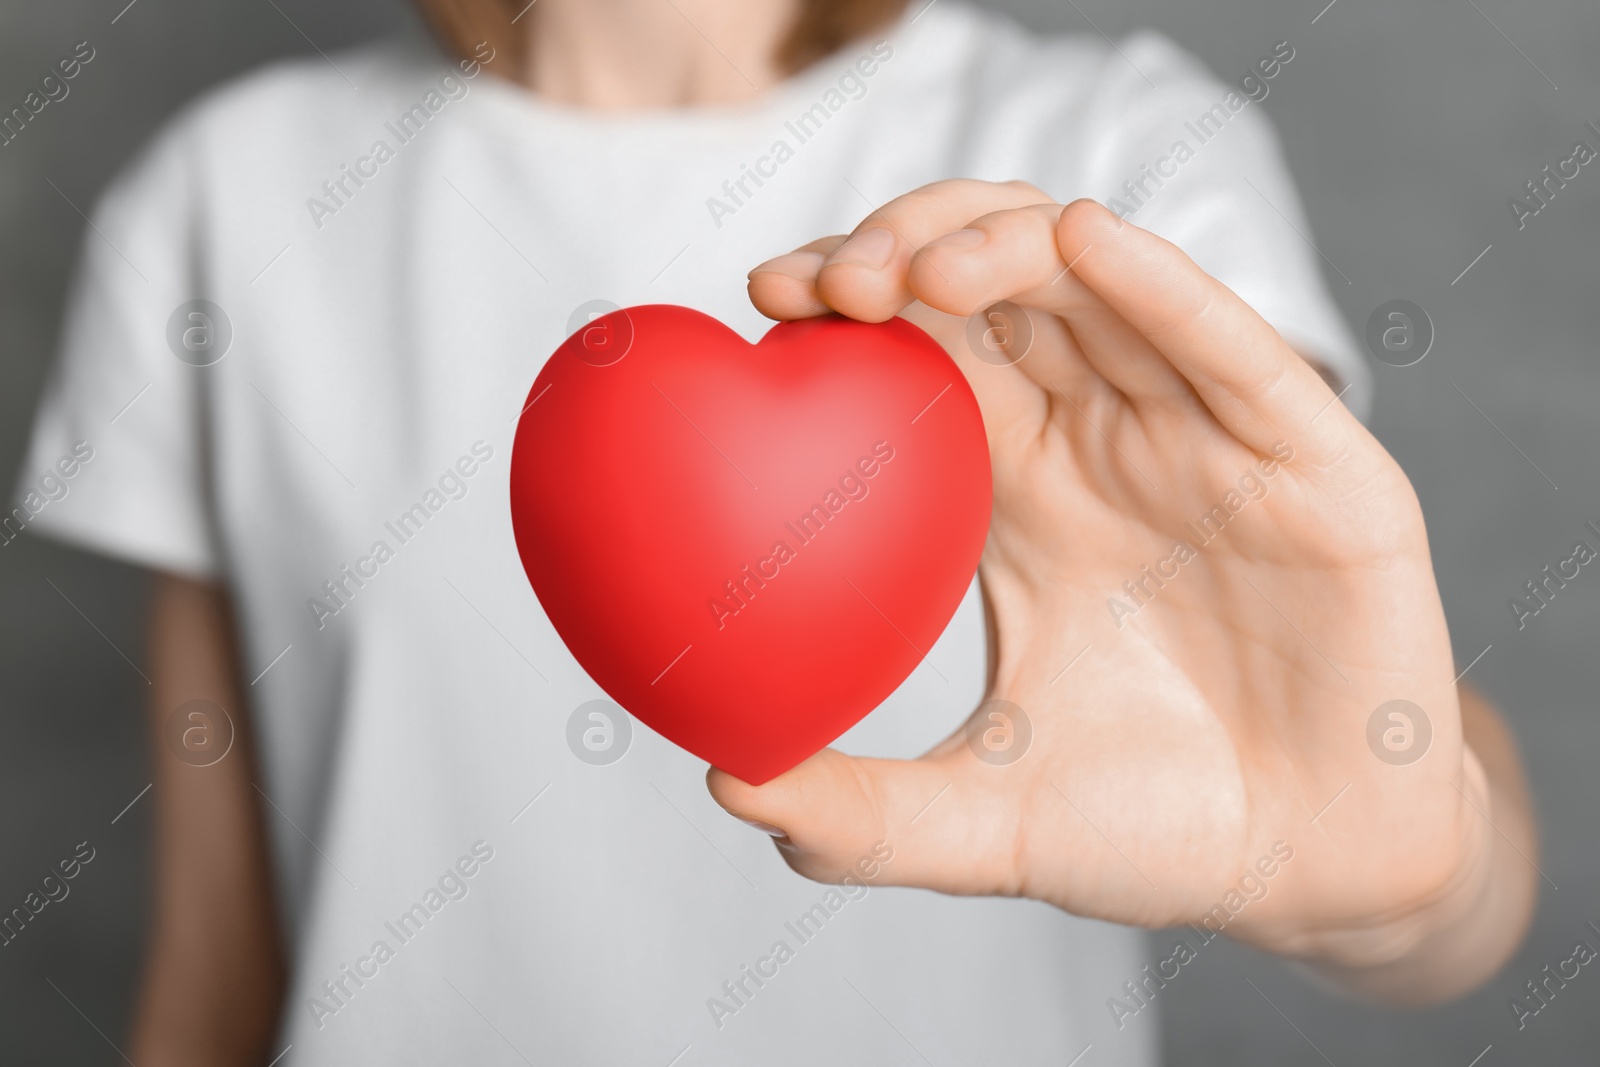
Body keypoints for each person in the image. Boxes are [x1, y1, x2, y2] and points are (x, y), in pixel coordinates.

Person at [18, 0, 1536, 1062]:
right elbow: (215, 975)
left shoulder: (1111, 164)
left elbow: (1396, 818)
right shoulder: (223, 203)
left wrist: (1413, 882)